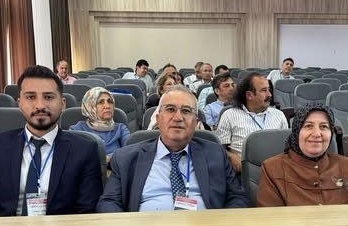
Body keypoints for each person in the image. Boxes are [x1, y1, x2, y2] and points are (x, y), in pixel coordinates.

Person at [0, 65, 103, 217]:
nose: (40, 105)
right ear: (19, 104)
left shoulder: (84, 150)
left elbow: (87, 213)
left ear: (62, 104)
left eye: (48, 97)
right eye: (31, 97)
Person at [96, 85, 249, 212]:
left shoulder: (215, 154)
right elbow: (108, 202)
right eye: (170, 109)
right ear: (158, 119)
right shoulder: (126, 158)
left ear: (196, 122)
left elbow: (237, 198)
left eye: (186, 111)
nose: (178, 118)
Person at [257, 104, 348, 206]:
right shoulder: (272, 169)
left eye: (324, 127)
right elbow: (271, 218)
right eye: (308, 126)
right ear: (297, 131)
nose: (317, 134)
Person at [215, 72, 289, 173]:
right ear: (249, 95)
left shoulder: (279, 115)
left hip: (276, 172)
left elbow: (288, 148)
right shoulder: (229, 115)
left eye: (269, 90)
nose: (269, 94)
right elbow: (219, 148)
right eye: (264, 90)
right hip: (242, 173)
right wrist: (230, 156)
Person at [69, 87, 130, 156]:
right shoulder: (77, 129)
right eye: (100, 102)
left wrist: (110, 157)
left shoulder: (121, 128)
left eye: (110, 101)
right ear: (90, 106)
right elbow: (73, 155)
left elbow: (129, 150)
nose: (107, 106)